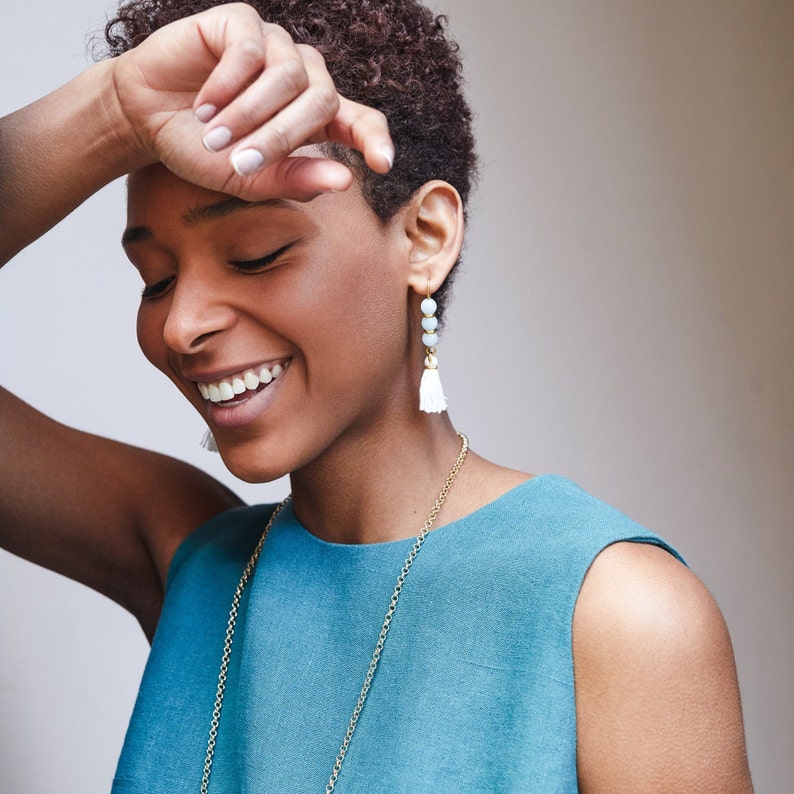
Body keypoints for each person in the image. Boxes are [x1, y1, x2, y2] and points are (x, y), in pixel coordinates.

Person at [0, 0, 753, 791]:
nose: (181, 324)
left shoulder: (618, 617)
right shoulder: (194, 563)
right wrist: (113, 111)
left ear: (424, 239)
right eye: (156, 279)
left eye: (255, 254)